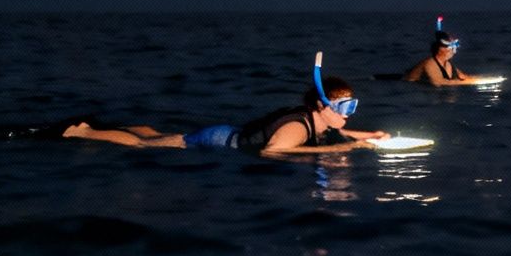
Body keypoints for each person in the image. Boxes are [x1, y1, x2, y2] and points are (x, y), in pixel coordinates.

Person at [58, 76, 388, 154]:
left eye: (352, 106)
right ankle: (83, 133)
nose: (349, 114)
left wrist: (368, 136)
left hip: (226, 132)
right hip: (219, 140)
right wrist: (343, 150)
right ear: (322, 107)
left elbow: (338, 132)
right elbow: (273, 153)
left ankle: (108, 126)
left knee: (153, 132)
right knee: (147, 146)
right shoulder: (297, 130)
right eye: (344, 107)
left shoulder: (314, 119)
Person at [402, 30, 491, 86]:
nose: (453, 50)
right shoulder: (430, 64)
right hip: (403, 83)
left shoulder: (449, 65)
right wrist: (471, 83)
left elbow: (465, 77)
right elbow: (439, 82)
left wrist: (487, 79)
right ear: (440, 49)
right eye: (450, 47)